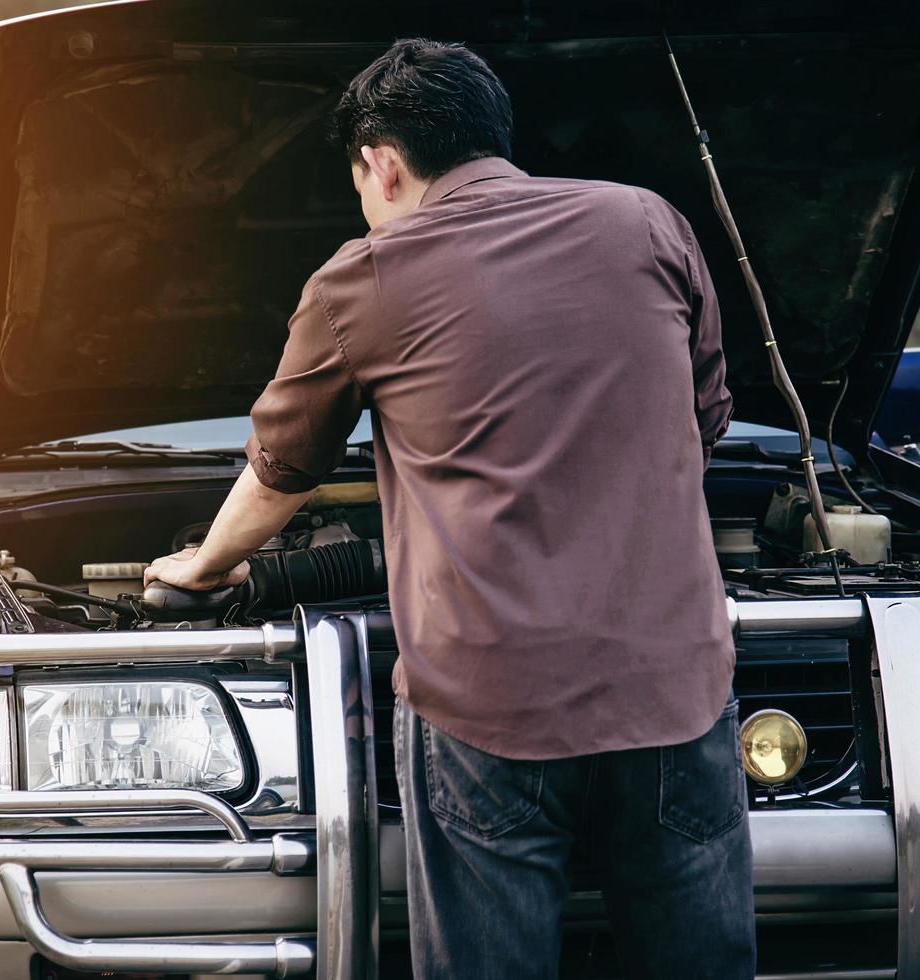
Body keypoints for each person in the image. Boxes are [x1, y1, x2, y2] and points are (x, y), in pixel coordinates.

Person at [144, 38, 753, 979]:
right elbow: (702, 420)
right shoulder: (648, 223)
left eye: (360, 182)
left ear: (382, 163)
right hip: (676, 694)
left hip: (490, 712)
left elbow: (281, 472)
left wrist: (203, 564)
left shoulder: (364, 276)